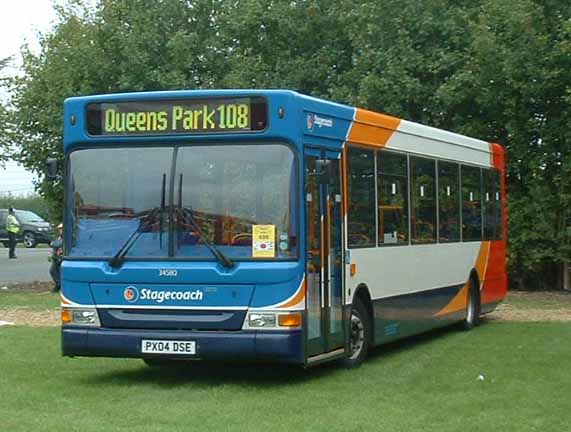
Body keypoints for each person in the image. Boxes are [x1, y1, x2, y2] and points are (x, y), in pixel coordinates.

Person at [49, 223, 64, 292]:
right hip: (57, 258)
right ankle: (58, 284)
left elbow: (57, 244)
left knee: (61, 271)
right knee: (52, 270)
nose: (61, 231)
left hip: (63, 258)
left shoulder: (68, 238)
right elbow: (53, 245)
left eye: (62, 229)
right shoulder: (59, 238)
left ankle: (60, 285)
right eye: (60, 229)